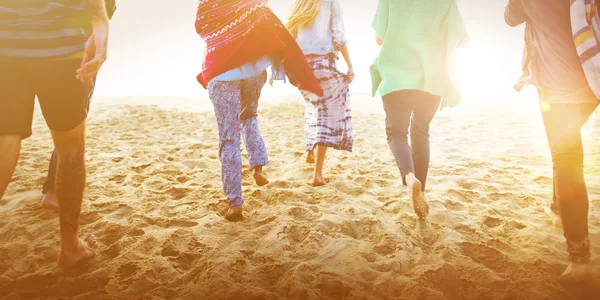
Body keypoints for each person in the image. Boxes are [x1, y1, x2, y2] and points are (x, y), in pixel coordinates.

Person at [0, 0, 110, 268]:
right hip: (62, 49)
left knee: (4, 141)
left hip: (5, 47)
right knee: (70, 149)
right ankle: (71, 247)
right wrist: (100, 26)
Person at [195, 0, 323, 222]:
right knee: (249, 117)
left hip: (221, 73)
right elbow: (268, 26)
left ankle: (235, 202)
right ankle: (258, 166)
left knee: (229, 136)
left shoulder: (208, 3)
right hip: (254, 72)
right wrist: (277, 66)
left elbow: (202, 25)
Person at [505, 0, 597, 283]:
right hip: (593, 78)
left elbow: (510, 17)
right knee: (564, 150)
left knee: (566, 160)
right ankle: (557, 208)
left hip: (558, 88)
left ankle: (579, 260)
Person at [370, 0, 469, 219]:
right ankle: (421, 191)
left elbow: (379, 38)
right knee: (421, 132)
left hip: (397, 76)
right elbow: (459, 40)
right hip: (432, 80)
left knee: (396, 133)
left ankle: (409, 178)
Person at [41, 0, 117, 210]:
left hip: (38, 51)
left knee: (64, 130)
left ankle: (53, 190)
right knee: (71, 131)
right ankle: (53, 192)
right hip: (72, 51)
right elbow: (100, 10)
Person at [279, 0, 354, 187]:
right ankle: (317, 175)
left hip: (299, 68)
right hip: (322, 64)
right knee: (327, 116)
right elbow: (339, 37)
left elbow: (288, 37)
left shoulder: (299, 3)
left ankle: (310, 150)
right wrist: (350, 65)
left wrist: (279, 70)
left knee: (313, 105)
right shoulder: (330, 2)